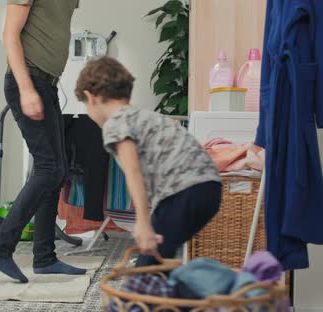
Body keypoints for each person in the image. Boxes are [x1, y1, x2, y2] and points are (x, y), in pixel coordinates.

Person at [74, 57, 222, 266]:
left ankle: (139, 298)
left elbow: (133, 170)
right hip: (210, 188)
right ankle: (174, 291)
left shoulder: (115, 122)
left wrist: (142, 222)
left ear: (91, 98)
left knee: (148, 265)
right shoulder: (144, 116)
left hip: (183, 191)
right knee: (162, 259)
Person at [0, 0, 86, 283]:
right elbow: (10, 34)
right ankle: (0, 249)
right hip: (27, 80)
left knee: (58, 172)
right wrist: (27, 88)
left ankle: (45, 258)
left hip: (48, 83)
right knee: (49, 169)